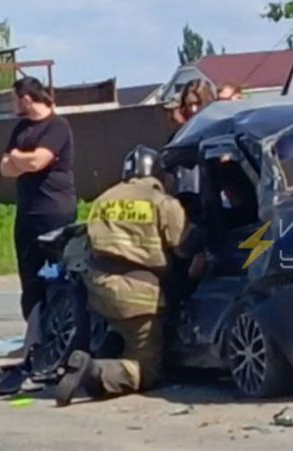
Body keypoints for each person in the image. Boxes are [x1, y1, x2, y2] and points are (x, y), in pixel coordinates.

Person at [54, 145, 204, 407]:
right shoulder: (162, 202)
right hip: (139, 294)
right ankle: (94, 371)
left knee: (123, 329)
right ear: (158, 173)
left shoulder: (104, 199)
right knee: (147, 368)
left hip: (99, 288)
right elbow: (183, 246)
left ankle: (103, 356)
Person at [0, 77, 77, 321]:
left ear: (26, 99)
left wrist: (19, 159)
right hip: (27, 213)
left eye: (14, 98)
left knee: (58, 273)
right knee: (30, 275)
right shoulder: (21, 129)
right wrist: (21, 159)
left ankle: (64, 326)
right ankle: (35, 331)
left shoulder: (57, 126)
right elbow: (4, 168)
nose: (13, 104)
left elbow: (37, 161)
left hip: (55, 211)